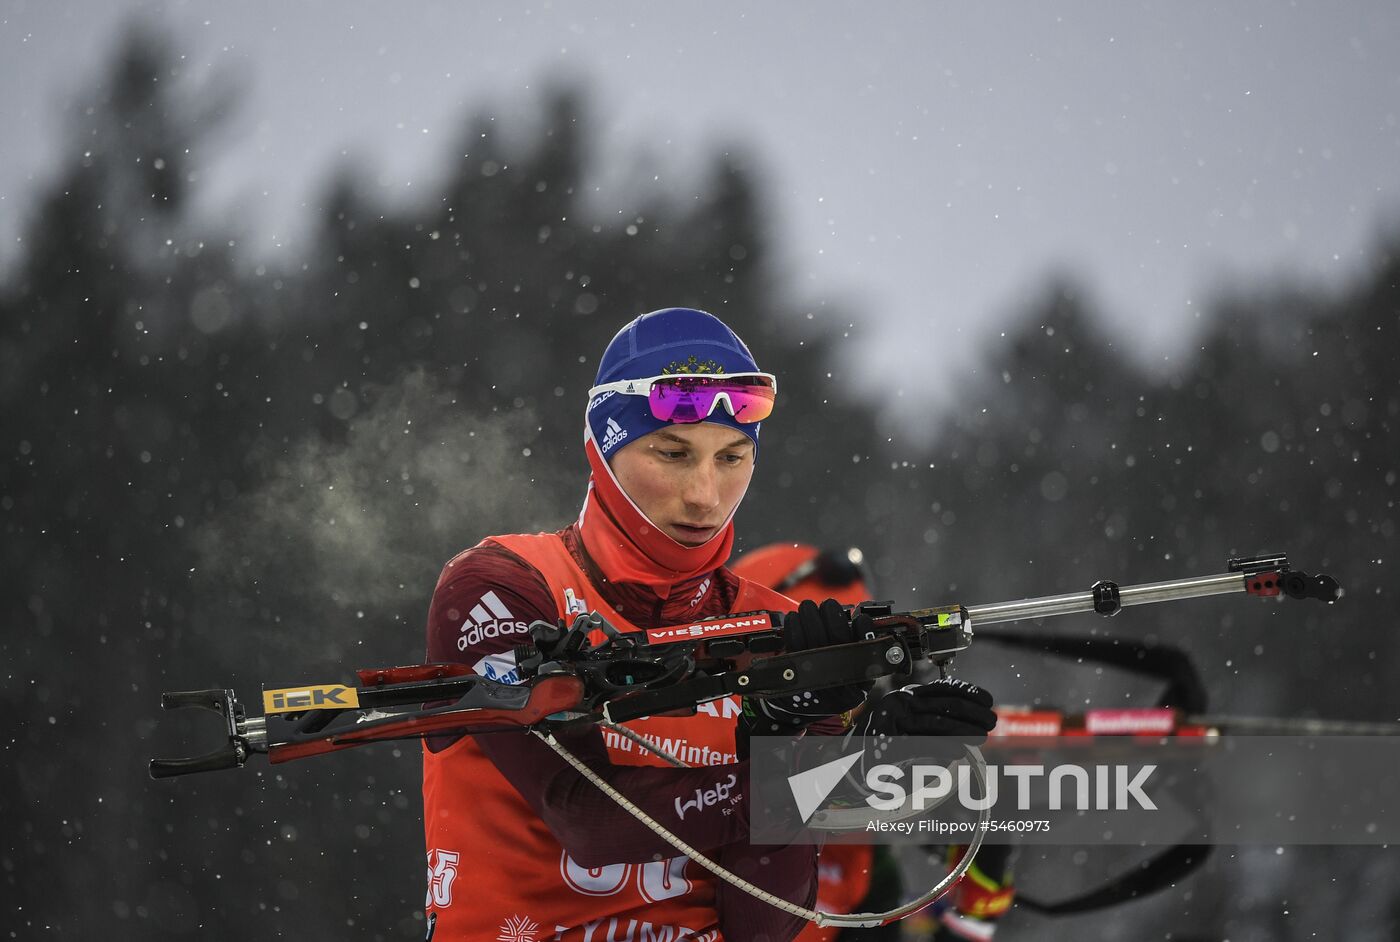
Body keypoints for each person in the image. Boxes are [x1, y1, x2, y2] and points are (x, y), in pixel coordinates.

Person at [421, 307, 997, 941]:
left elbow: (761, 926)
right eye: (672, 452)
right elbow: (582, 817)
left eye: (732, 457)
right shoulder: (501, 584)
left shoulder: (779, 628)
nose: (705, 494)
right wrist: (823, 780)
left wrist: (801, 745)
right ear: (602, 450)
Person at [731, 544, 1016, 942]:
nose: (845, 700)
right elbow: (753, 809)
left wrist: (975, 910)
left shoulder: (858, 858)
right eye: (814, 671)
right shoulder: (691, 777)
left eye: (861, 669)